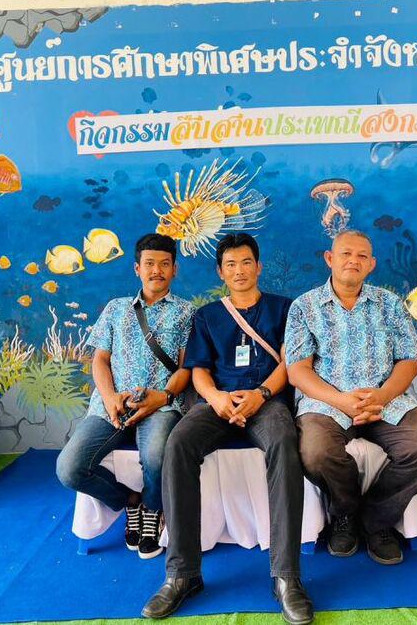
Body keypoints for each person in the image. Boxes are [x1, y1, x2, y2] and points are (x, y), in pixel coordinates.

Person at [142, 233, 313, 625]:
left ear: (259, 267)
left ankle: (286, 577)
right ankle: (182, 574)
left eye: (246, 262)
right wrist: (217, 399)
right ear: (220, 271)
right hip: (218, 403)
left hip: (267, 402)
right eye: (230, 265)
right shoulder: (208, 316)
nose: (239, 271)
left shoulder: (285, 309)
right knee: (178, 443)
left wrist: (261, 393)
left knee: (285, 441)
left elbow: (291, 362)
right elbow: (198, 371)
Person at [285, 229, 417, 566]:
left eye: (362, 256)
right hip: (327, 402)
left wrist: (382, 396)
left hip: (387, 398)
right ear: (329, 259)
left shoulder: (390, 304)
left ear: (372, 264)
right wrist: (342, 401)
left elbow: (409, 360)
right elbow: (298, 370)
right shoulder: (304, 306)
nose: (353, 261)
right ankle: (344, 514)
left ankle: (376, 519)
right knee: (315, 453)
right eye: (345, 254)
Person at [56, 233, 194, 559]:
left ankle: (153, 508)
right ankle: (129, 500)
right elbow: (100, 360)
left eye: (164, 264)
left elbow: (187, 368)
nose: (156, 271)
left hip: (160, 405)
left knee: (157, 458)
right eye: (150, 264)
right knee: (70, 468)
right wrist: (109, 397)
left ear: (175, 269)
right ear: (137, 268)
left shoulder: (187, 312)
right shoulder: (116, 309)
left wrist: (164, 396)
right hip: (112, 406)